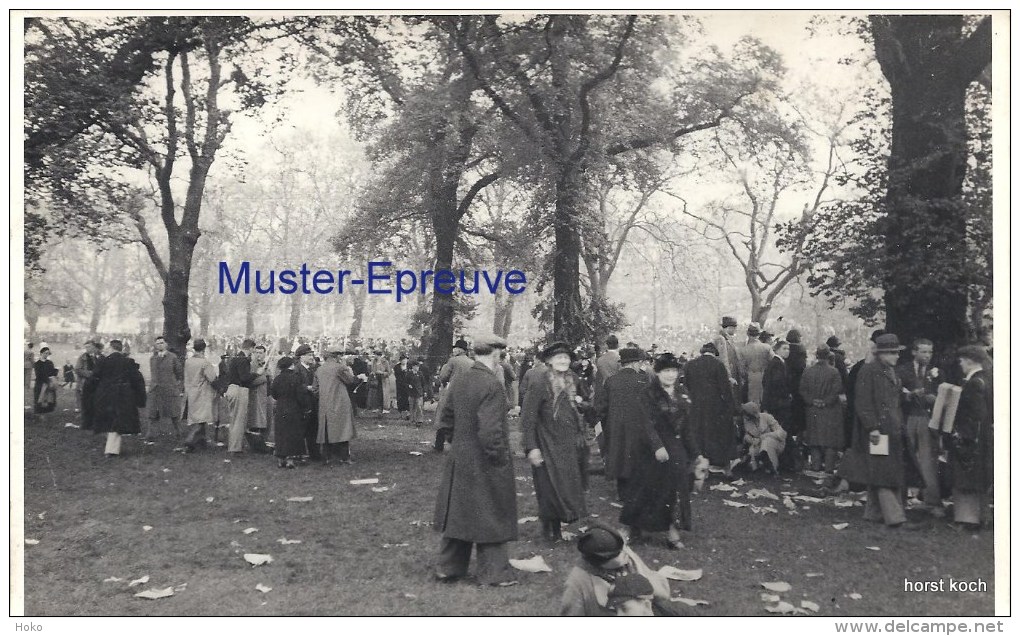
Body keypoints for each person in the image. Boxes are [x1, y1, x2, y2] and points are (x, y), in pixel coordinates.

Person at [432, 333, 518, 587]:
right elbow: (491, 430)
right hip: (486, 459)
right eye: (501, 354)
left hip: (461, 457)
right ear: (495, 354)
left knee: (460, 512)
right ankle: (495, 573)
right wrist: (499, 458)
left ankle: (448, 568)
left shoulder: (462, 379)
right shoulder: (491, 384)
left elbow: (445, 418)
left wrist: (458, 444)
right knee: (491, 513)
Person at [837, 334, 923, 530]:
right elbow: (863, 402)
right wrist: (872, 428)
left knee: (882, 470)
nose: (896, 356)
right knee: (884, 472)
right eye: (892, 353)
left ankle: (873, 513)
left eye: (897, 353)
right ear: (881, 353)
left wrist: (908, 397)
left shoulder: (890, 371)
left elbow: (894, 398)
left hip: (892, 428)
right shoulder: (869, 371)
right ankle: (895, 517)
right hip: (877, 431)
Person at [620, 352, 703, 548]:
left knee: (677, 488)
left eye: (674, 370)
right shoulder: (648, 394)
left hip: (676, 448)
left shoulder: (683, 393)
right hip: (650, 449)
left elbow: (687, 426)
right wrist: (657, 446)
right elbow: (646, 424)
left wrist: (696, 453)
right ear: (657, 373)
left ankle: (673, 533)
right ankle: (633, 527)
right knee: (644, 489)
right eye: (666, 371)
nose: (670, 375)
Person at [521, 342, 589, 542]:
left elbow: (587, 404)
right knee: (548, 486)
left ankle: (561, 524)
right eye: (559, 358)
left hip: (569, 444)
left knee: (566, 485)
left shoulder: (574, 379)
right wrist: (532, 447)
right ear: (549, 361)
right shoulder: (540, 382)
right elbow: (528, 417)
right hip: (546, 442)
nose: (563, 361)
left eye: (566, 358)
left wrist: (581, 403)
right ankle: (550, 529)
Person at [559, 524, 670, 616]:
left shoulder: (627, 557)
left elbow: (660, 594)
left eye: (624, 548)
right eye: (619, 554)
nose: (625, 553)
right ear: (602, 561)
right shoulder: (578, 582)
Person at [593, 347, 650, 502]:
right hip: (638, 426)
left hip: (616, 426)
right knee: (637, 458)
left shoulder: (611, 381)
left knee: (619, 457)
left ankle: (622, 492)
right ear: (635, 363)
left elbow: (602, 407)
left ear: (622, 364)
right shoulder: (643, 380)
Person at [948, 345, 993, 531]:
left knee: (966, 478)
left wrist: (962, 435)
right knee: (980, 479)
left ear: (970, 360)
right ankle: (983, 518)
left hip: (971, 437)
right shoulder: (987, 379)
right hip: (983, 437)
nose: (959, 364)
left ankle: (968, 520)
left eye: (961, 360)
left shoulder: (974, 383)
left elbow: (976, 414)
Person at [895, 338, 942, 516]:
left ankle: (931, 500)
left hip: (927, 418)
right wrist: (908, 396)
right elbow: (896, 394)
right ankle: (902, 498)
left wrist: (934, 398)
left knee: (928, 459)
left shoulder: (937, 372)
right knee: (905, 456)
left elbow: (942, 393)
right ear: (914, 352)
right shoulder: (902, 370)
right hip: (908, 417)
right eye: (923, 351)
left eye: (930, 352)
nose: (927, 356)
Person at [684, 342, 739, 476]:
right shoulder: (718, 365)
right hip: (715, 408)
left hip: (696, 407)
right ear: (714, 353)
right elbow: (725, 390)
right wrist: (731, 408)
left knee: (699, 436)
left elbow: (686, 386)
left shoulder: (690, 365)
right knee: (719, 435)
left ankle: (702, 469)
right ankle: (725, 467)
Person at [90, 339, 146, 457]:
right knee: (117, 421)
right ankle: (111, 450)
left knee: (111, 421)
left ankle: (111, 450)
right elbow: (137, 380)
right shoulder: (128, 362)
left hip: (105, 395)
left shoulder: (103, 361)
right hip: (123, 395)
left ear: (111, 348)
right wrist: (139, 397)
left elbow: (94, 377)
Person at [800, 345, 846, 474]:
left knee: (814, 439)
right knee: (830, 440)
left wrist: (812, 401)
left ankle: (815, 466)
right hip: (829, 410)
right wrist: (825, 402)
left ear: (816, 355)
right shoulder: (834, 372)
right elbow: (837, 390)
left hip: (812, 410)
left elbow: (802, 390)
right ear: (828, 356)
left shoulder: (808, 371)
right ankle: (829, 468)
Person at [315, 348, 362, 464]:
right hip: (339, 402)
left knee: (326, 430)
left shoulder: (319, 369)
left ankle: (326, 457)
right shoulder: (340, 368)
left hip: (324, 404)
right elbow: (351, 381)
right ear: (336, 356)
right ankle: (345, 457)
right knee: (343, 430)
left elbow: (315, 388)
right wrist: (360, 377)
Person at [270, 356, 312, 469]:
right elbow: (300, 395)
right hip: (293, 408)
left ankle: (280, 459)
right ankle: (290, 459)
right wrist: (305, 407)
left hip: (280, 408)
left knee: (280, 433)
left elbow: (273, 393)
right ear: (291, 365)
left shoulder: (277, 378)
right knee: (292, 434)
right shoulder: (295, 378)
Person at [433, 338, 474, 452]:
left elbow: (443, 377)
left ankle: (439, 444)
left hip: (452, 392)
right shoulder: (472, 363)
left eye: (456, 348)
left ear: (461, 350)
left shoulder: (453, 361)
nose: (455, 350)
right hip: (467, 393)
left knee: (443, 416)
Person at [183, 339, 218, 453]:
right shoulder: (205, 363)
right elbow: (212, 378)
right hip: (202, 393)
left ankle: (201, 443)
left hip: (191, 392)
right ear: (204, 349)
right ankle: (190, 440)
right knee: (201, 420)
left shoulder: (188, 361)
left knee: (198, 418)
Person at [147, 336, 184, 441]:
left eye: (162, 343)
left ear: (166, 344)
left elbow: (179, 374)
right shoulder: (152, 358)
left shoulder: (173, 357)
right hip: (155, 389)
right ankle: (150, 435)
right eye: (158, 343)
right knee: (152, 413)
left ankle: (178, 433)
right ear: (155, 345)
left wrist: (176, 386)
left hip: (169, 389)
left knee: (174, 413)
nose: (160, 345)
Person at [224, 339, 257, 455]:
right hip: (239, 389)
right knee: (239, 420)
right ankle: (235, 448)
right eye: (253, 349)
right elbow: (245, 378)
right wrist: (257, 374)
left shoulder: (234, 359)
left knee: (234, 419)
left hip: (231, 389)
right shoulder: (244, 360)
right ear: (251, 348)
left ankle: (234, 445)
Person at [740, 402, 786, 474]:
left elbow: (782, 434)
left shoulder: (767, 417)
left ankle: (772, 467)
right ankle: (757, 469)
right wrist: (751, 440)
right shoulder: (747, 423)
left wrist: (766, 435)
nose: (745, 416)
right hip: (759, 444)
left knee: (767, 442)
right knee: (752, 449)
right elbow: (748, 435)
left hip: (776, 443)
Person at [294, 344, 322, 460]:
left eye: (312, 355)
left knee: (313, 429)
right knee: (301, 430)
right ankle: (299, 453)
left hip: (312, 403)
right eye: (309, 355)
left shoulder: (311, 368)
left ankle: (314, 454)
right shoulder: (297, 370)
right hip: (303, 404)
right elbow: (295, 386)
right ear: (301, 357)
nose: (312, 357)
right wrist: (307, 388)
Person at [741, 326, 773, 405]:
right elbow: (774, 362)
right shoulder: (767, 347)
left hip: (752, 377)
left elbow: (741, 369)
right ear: (759, 334)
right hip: (766, 376)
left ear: (748, 334)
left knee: (754, 402)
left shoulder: (744, 350)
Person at [711, 316, 742, 395]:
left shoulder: (727, 339)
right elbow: (723, 359)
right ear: (729, 327)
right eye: (734, 327)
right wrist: (728, 377)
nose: (735, 330)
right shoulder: (721, 339)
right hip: (727, 376)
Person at [32, 346, 59, 414]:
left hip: (49, 383)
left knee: (50, 397)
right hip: (41, 383)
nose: (46, 355)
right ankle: (39, 411)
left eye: (47, 353)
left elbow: (52, 372)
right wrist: (47, 379)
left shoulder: (49, 362)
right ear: (41, 353)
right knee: (40, 398)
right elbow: (38, 374)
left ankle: (48, 410)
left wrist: (56, 371)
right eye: (45, 353)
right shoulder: (37, 364)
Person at [406, 359, 426, 427]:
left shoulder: (420, 374)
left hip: (419, 392)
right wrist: (408, 385)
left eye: (418, 366)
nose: (417, 368)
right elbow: (405, 382)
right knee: (412, 407)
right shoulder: (409, 374)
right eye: (416, 366)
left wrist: (424, 391)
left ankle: (419, 420)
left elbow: (423, 383)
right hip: (411, 393)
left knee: (419, 406)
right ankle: (412, 420)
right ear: (413, 367)